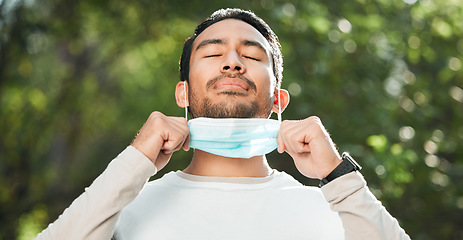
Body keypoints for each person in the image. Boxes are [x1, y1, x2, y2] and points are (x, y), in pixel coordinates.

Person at [35, 8, 410, 240]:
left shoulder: (336, 212)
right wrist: (134, 163)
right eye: (213, 52)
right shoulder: (124, 208)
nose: (232, 62)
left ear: (277, 100)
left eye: (250, 54)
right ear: (182, 94)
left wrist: (338, 176)